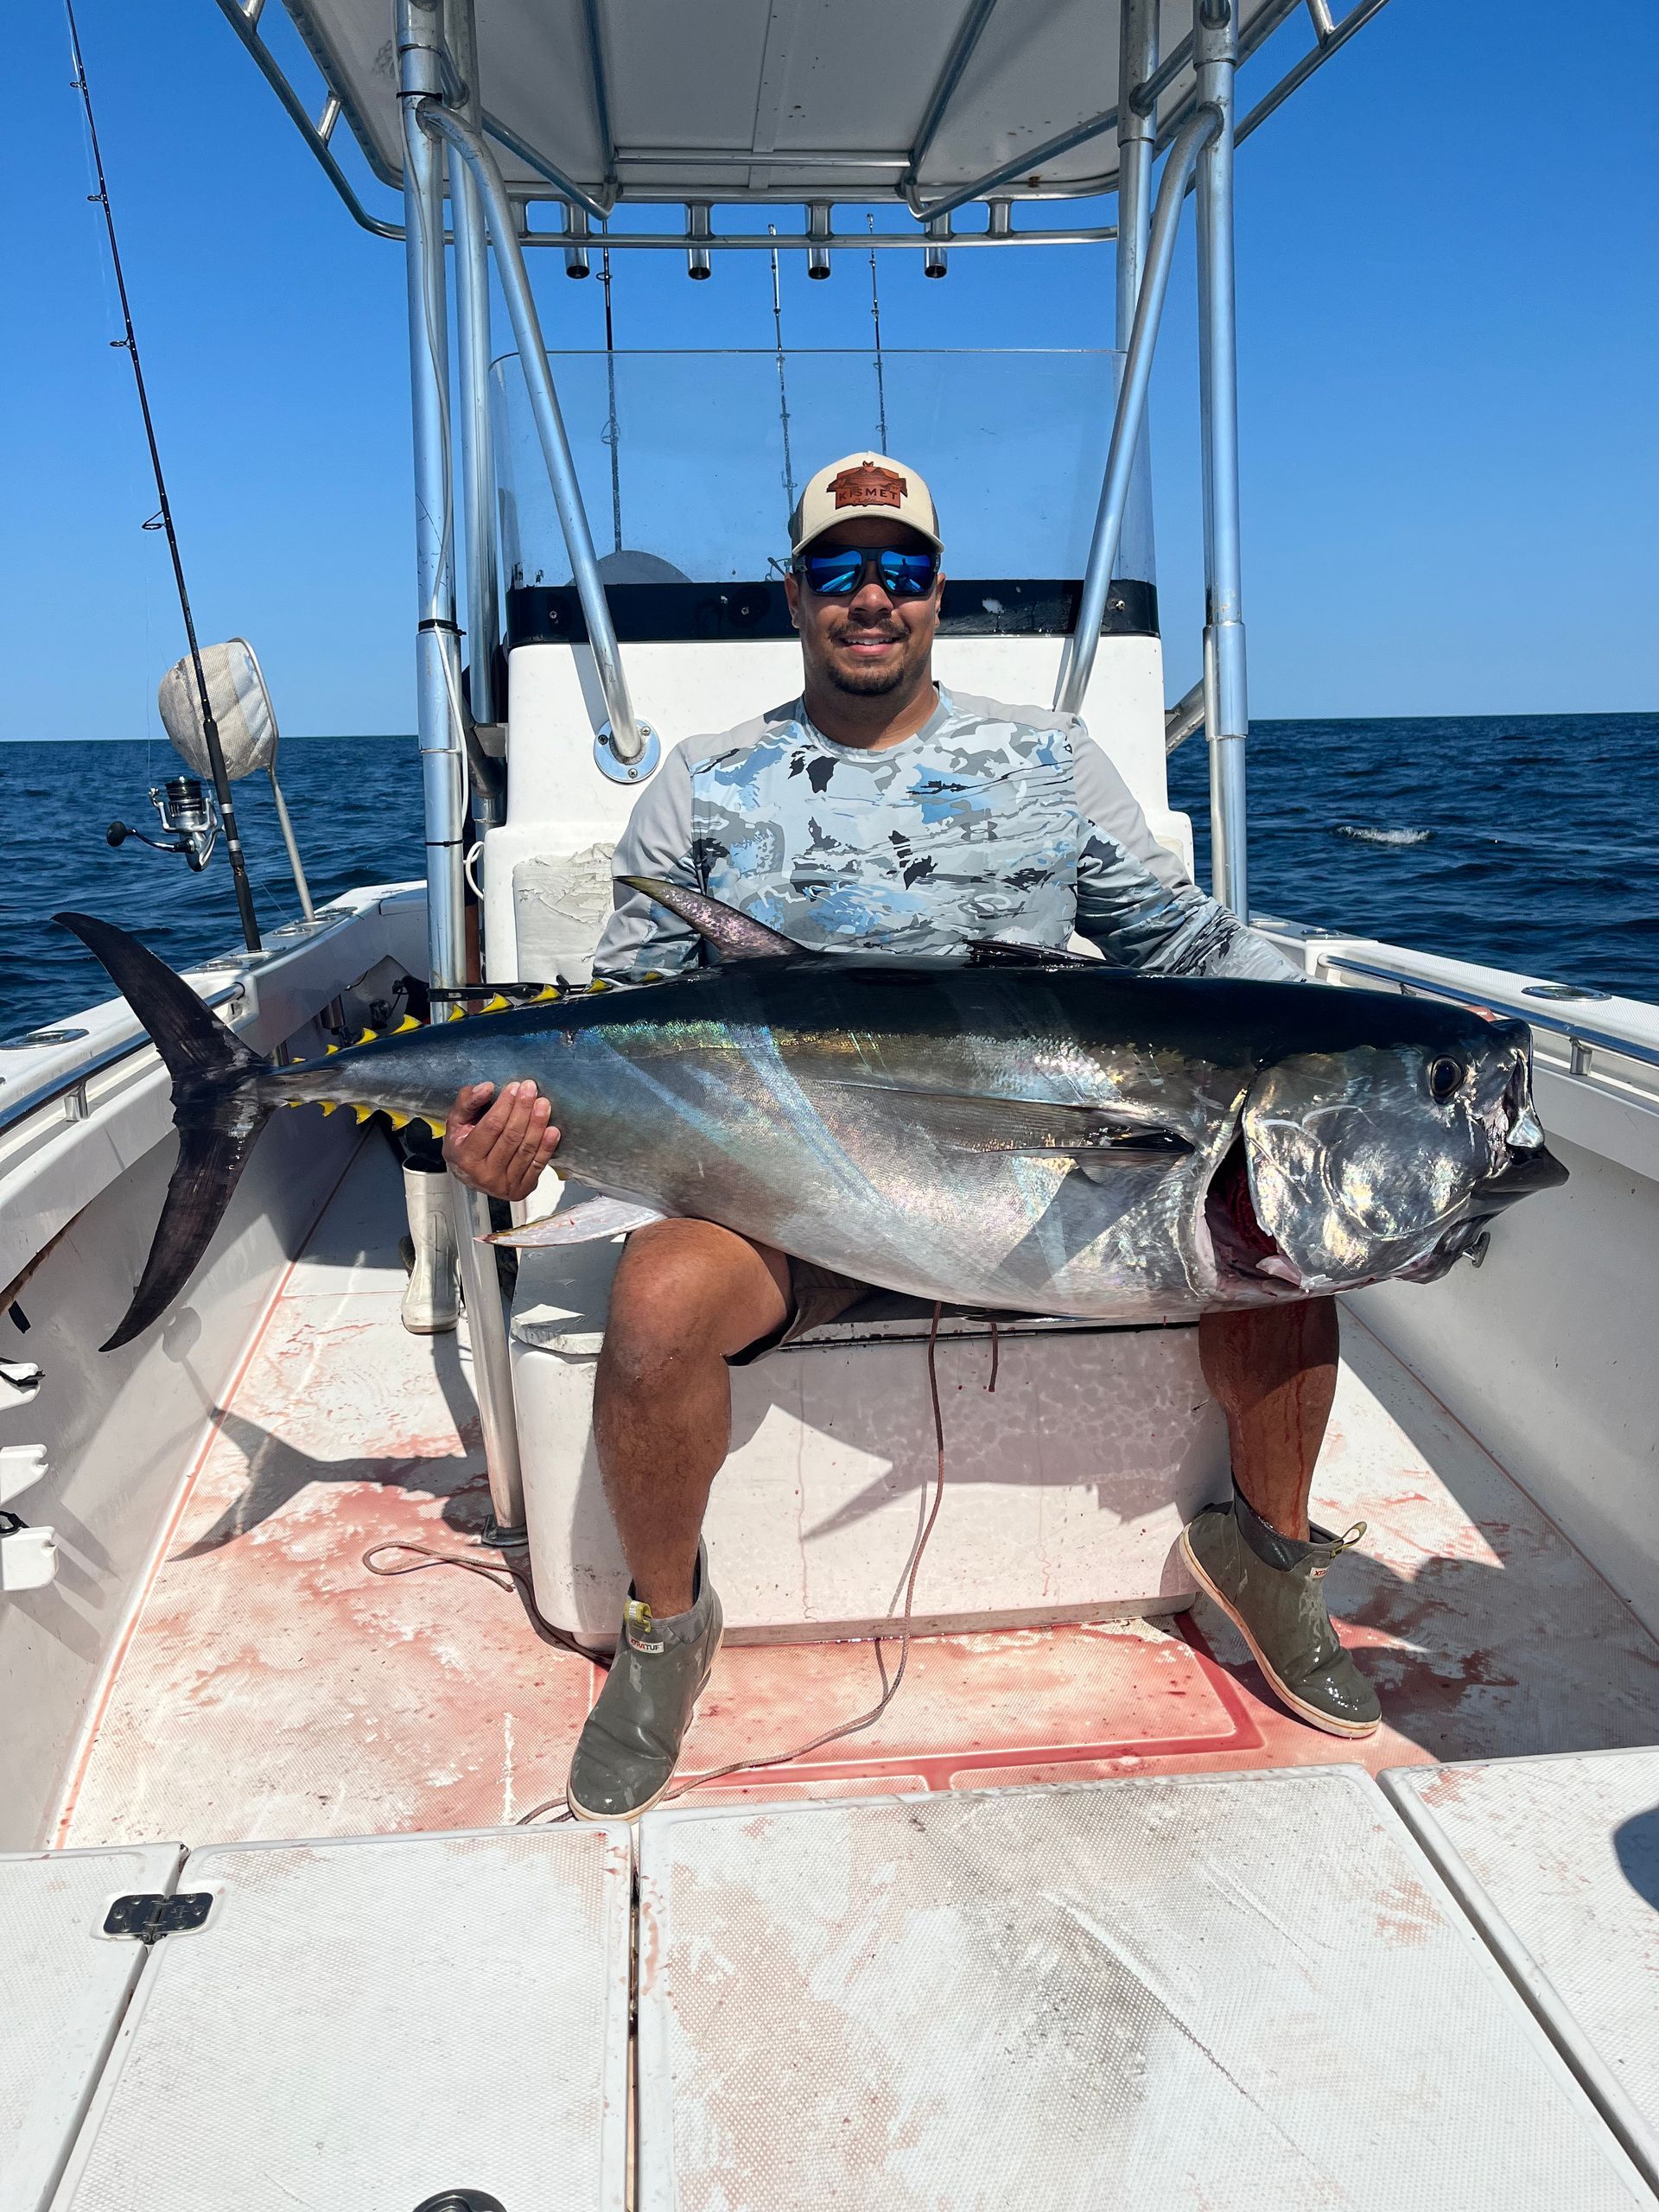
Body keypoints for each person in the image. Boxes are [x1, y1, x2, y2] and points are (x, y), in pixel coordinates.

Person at [443, 451, 1381, 1821]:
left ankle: (1270, 1559)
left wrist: (1345, 1028)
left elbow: (1184, 949)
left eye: (900, 568)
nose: (869, 596)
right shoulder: (707, 784)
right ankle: (664, 1625)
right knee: (654, 1304)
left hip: (1046, 1190)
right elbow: (618, 1023)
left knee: (1285, 1239)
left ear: (941, 592)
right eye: (837, 569)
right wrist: (515, 1136)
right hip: (785, 1195)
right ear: (795, 593)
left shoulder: (1047, 762)